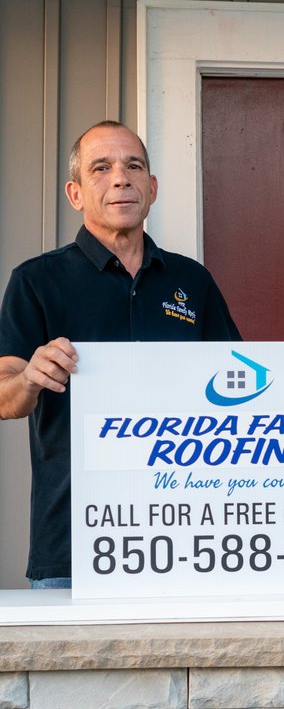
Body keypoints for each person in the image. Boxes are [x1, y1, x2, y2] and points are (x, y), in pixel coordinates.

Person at [0, 121, 241, 588]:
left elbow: (243, 384)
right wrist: (30, 377)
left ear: (151, 188)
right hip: (71, 544)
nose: (120, 178)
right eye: (101, 168)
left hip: (184, 538)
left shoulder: (192, 282)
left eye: (134, 166)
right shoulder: (35, 281)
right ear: (75, 193)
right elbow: (4, 394)